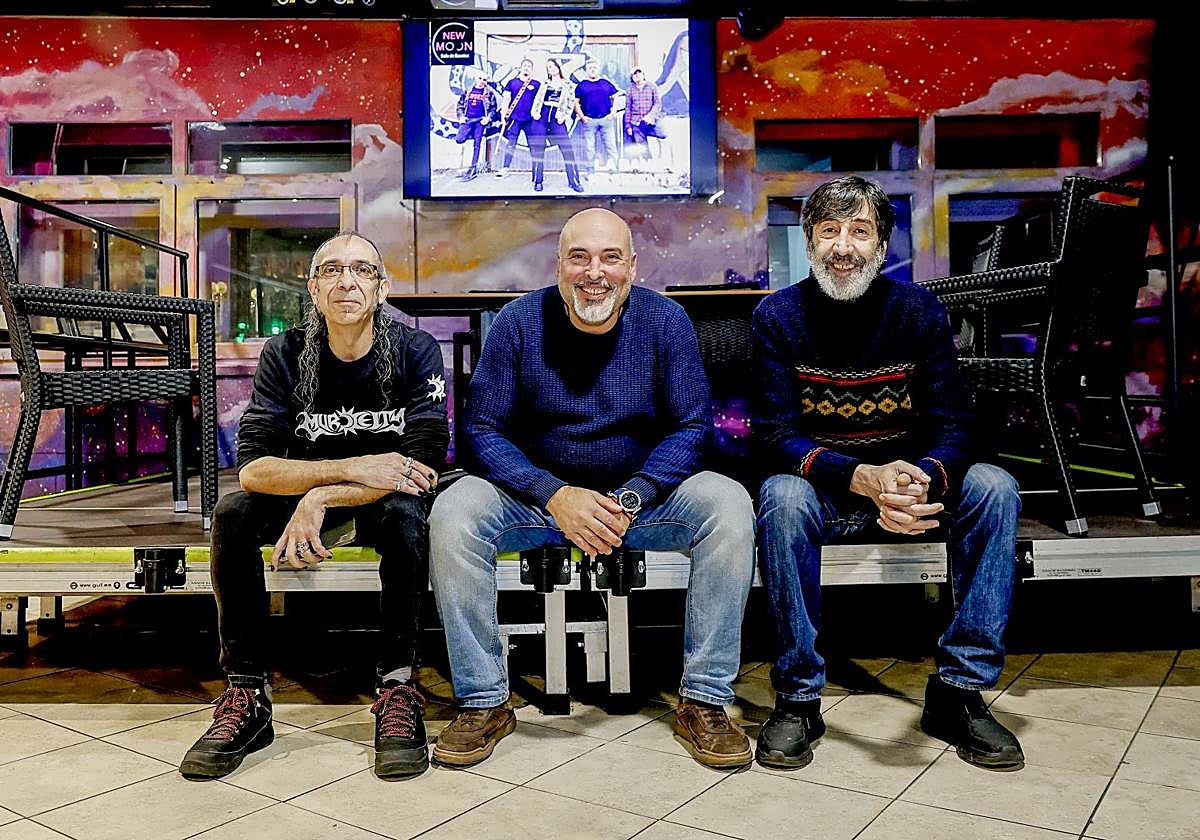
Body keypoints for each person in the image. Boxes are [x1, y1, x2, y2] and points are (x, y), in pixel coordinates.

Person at [428, 207, 756, 770]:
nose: (594, 272)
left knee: (728, 504)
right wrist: (556, 495)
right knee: (453, 511)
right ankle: (484, 700)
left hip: (641, 500)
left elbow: (692, 427)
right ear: (558, 265)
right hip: (538, 498)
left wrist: (631, 497)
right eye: (578, 257)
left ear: (632, 265)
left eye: (609, 257)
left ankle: (704, 700)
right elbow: (481, 429)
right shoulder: (517, 323)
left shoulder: (666, 321)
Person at [751, 175, 1025, 772]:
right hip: (830, 492)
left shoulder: (918, 311)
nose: (842, 245)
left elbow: (957, 425)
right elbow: (774, 436)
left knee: (995, 486)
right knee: (781, 494)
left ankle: (959, 692)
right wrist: (862, 478)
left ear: (881, 246)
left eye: (859, 231)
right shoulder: (777, 316)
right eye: (828, 230)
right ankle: (798, 697)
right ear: (808, 240)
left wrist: (920, 478)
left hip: (910, 487)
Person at [179, 233, 450, 781]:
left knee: (405, 517)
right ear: (313, 287)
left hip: (377, 500)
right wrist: (334, 476)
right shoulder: (285, 354)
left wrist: (321, 496)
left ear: (381, 287)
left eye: (361, 271)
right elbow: (253, 469)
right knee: (232, 514)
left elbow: (419, 469)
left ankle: (398, 685)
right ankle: (247, 694)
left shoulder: (416, 351)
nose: (346, 281)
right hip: (312, 493)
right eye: (331, 271)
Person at [530, 57, 583, 193]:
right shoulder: (545, 84)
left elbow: (571, 102)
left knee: (567, 149)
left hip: (557, 117)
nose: (551, 69)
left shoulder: (568, 84)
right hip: (542, 116)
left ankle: (573, 181)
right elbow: (537, 100)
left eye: (553, 66)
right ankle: (538, 181)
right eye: (549, 67)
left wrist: (564, 116)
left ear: (558, 67)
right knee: (538, 148)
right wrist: (535, 113)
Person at [497, 58, 542, 187]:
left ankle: (536, 170)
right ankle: (505, 168)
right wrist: (503, 117)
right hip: (514, 119)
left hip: (530, 120)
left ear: (532, 69)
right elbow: (506, 99)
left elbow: (539, 102)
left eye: (529, 66)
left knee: (533, 145)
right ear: (521, 67)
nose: (526, 68)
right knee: (511, 144)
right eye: (525, 66)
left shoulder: (537, 84)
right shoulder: (512, 83)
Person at [573, 59, 620, 176]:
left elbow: (615, 97)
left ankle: (614, 170)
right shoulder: (582, 85)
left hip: (606, 120)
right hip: (589, 121)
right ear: (586, 71)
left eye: (594, 67)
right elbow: (575, 103)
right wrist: (582, 117)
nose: (592, 69)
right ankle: (590, 171)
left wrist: (613, 112)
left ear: (597, 69)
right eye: (590, 68)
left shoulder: (605, 83)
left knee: (611, 146)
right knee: (590, 148)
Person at [455, 71, 500, 182]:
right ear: (476, 79)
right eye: (480, 78)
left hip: (480, 121)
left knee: (477, 144)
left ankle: (472, 169)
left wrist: (488, 118)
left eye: (484, 79)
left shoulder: (489, 93)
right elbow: (460, 105)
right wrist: (461, 117)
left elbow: (493, 108)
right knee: (459, 139)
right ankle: (465, 168)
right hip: (468, 120)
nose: (482, 81)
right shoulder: (468, 91)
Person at [623, 67, 665, 169]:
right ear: (632, 78)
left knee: (664, 136)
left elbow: (657, 103)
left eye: (639, 73)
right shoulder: (630, 90)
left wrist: (650, 116)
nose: (637, 76)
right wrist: (628, 125)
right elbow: (628, 109)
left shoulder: (652, 86)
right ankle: (649, 165)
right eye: (634, 74)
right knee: (642, 145)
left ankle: (664, 161)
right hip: (636, 122)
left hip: (652, 120)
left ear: (643, 74)